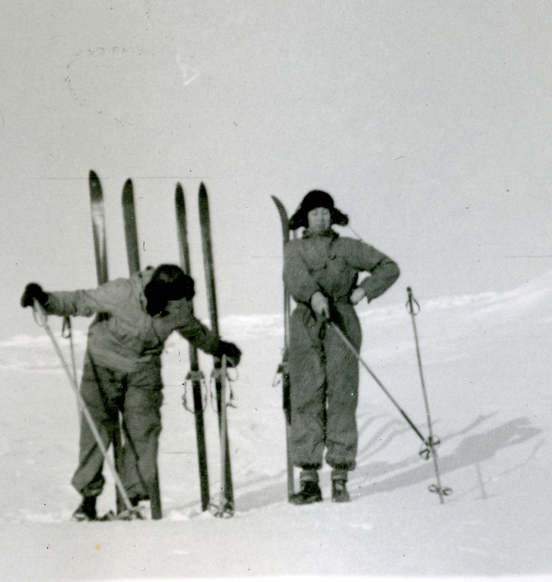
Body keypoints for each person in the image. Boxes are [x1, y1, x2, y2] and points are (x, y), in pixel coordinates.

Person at [20, 263, 241, 521]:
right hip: (103, 363)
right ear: (148, 292)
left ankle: (131, 499)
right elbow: (80, 300)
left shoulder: (177, 303)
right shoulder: (122, 292)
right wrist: (45, 300)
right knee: (97, 428)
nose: (162, 311)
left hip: (143, 369)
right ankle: (88, 500)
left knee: (143, 430)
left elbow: (192, 329)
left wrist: (218, 347)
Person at [282, 190, 399, 504]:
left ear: (332, 216)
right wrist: (313, 295)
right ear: (303, 217)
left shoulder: (347, 247)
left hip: (342, 321)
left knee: (342, 396)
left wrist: (364, 291)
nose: (320, 217)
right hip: (306, 321)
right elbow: (294, 276)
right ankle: (308, 478)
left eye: (325, 212)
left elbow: (389, 267)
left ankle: (339, 476)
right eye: (314, 212)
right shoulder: (294, 248)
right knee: (306, 396)